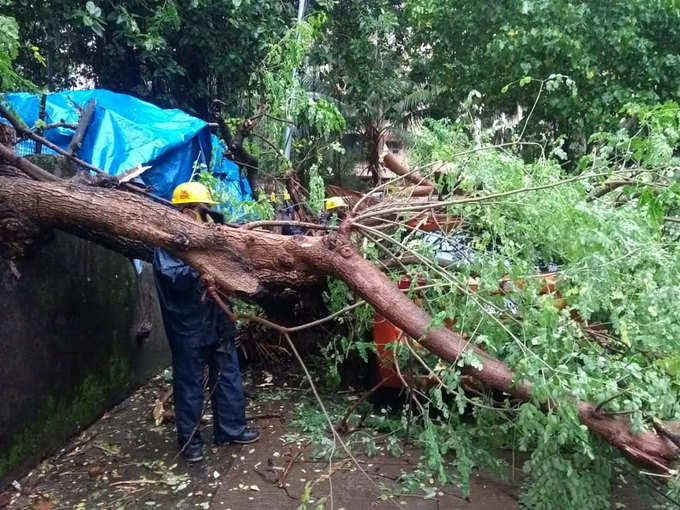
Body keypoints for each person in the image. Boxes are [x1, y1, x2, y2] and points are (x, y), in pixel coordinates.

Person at [153, 181, 259, 462]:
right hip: (187, 326)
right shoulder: (168, 241)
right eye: (201, 210)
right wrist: (200, 272)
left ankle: (231, 429)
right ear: (184, 210)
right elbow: (173, 277)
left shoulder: (210, 238)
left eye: (206, 210)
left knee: (228, 376)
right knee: (189, 384)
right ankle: (190, 442)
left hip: (217, 321)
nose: (203, 215)